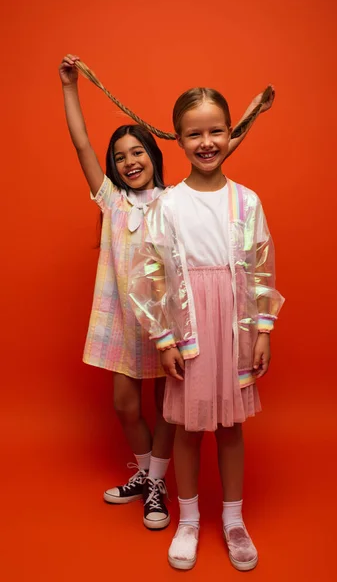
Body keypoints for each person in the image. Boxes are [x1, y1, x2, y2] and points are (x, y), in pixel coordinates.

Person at [59, 54, 276, 532]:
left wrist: (252, 112)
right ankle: (145, 472)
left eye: (137, 152)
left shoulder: (172, 198)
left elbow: (215, 147)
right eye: (120, 157)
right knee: (126, 404)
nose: (129, 161)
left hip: (175, 316)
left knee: (172, 410)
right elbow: (81, 146)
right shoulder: (112, 200)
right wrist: (71, 89)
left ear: (157, 155)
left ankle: (158, 482)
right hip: (124, 316)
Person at [128, 86, 284, 568]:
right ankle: (190, 520)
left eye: (217, 130)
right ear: (178, 138)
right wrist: (164, 336)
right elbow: (151, 271)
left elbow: (261, 267)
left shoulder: (246, 201)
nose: (207, 141)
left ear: (231, 133)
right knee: (188, 428)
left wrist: (262, 329)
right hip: (191, 324)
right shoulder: (168, 205)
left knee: (232, 427)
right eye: (194, 133)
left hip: (234, 326)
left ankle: (233, 520)